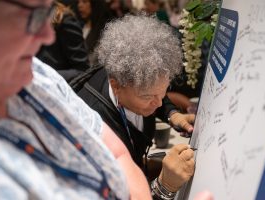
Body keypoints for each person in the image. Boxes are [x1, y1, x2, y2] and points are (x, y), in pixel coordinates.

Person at [0, 0, 152, 199]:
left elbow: (117, 154)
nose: (47, 36)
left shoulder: (41, 75)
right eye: (33, 16)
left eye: (46, 13)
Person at [71, 15, 196, 199]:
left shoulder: (126, 76)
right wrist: (165, 185)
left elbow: (156, 95)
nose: (159, 103)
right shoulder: (93, 131)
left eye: (163, 92)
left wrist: (172, 114)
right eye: (148, 97)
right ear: (116, 85)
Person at [37, 1, 89, 82]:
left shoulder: (64, 19)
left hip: (57, 89)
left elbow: (83, 70)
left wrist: (46, 75)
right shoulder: (26, 20)